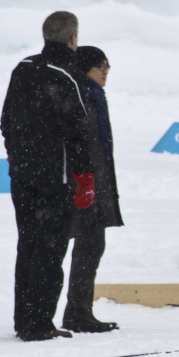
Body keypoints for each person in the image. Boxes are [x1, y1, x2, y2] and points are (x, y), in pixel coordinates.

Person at [1, 11, 95, 342]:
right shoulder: (68, 74)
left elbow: (6, 120)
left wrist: (15, 157)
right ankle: (39, 323)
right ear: (72, 38)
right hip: (54, 178)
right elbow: (79, 132)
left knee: (27, 245)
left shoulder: (24, 68)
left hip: (23, 175)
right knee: (50, 249)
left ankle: (23, 319)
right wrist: (85, 178)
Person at [62, 46, 123, 333]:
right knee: (87, 246)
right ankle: (76, 313)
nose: (106, 70)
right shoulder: (83, 94)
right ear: (85, 67)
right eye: (101, 65)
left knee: (89, 246)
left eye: (108, 65)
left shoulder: (90, 94)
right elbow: (83, 145)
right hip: (83, 185)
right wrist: (86, 180)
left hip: (90, 182)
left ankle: (77, 311)